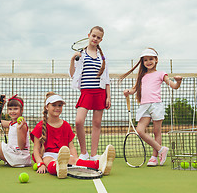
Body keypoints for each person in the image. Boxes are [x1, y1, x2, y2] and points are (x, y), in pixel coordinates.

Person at [119, 48, 182, 166]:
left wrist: (178, 82)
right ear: (143, 62)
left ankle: (154, 157)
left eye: (151, 59)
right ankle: (161, 149)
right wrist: (128, 91)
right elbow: (134, 89)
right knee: (139, 130)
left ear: (156, 60)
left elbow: (174, 86)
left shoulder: (161, 74)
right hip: (144, 106)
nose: (148, 62)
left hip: (156, 106)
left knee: (156, 132)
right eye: (145, 60)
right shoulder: (141, 76)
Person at [30, 92, 115, 178]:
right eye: (54, 105)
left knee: (74, 160)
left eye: (60, 105)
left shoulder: (66, 125)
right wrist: (40, 164)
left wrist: (76, 160)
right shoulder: (40, 126)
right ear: (47, 107)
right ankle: (58, 168)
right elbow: (36, 149)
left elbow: (71, 147)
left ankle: (100, 163)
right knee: (49, 161)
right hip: (48, 155)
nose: (57, 108)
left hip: (64, 155)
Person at [69, 26, 111, 160]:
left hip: (100, 93)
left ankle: (93, 155)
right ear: (89, 35)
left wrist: (108, 96)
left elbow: (107, 79)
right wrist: (72, 59)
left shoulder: (102, 57)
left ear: (101, 40)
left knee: (97, 123)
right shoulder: (81, 55)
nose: (95, 39)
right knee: (78, 121)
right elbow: (73, 75)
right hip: (86, 93)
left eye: (98, 37)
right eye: (94, 36)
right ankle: (84, 153)